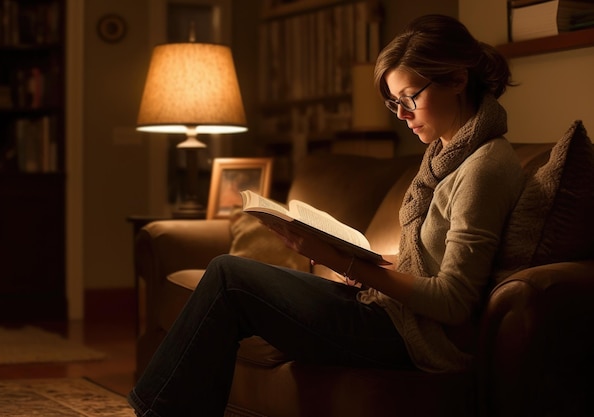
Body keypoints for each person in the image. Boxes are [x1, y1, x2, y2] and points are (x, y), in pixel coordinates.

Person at [128, 14, 524, 416]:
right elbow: (428, 263)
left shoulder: (483, 168)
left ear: (457, 79)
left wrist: (341, 259)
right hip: (392, 314)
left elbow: (454, 301)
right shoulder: (444, 156)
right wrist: (365, 260)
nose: (401, 114)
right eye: (393, 102)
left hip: (414, 337)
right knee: (226, 273)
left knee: (231, 278)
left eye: (410, 98)